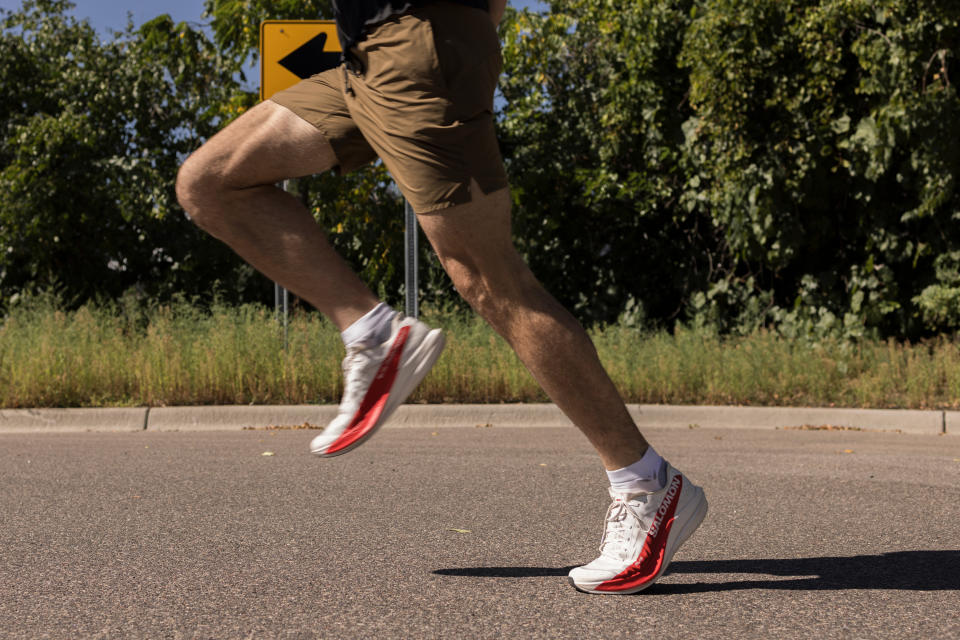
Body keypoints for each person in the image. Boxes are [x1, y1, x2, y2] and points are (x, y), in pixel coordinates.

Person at [175, 0, 707, 594]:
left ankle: (646, 483)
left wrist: (453, 37)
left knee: (488, 279)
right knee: (211, 182)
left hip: (416, 43)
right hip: (369, 58)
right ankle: (374, 334)